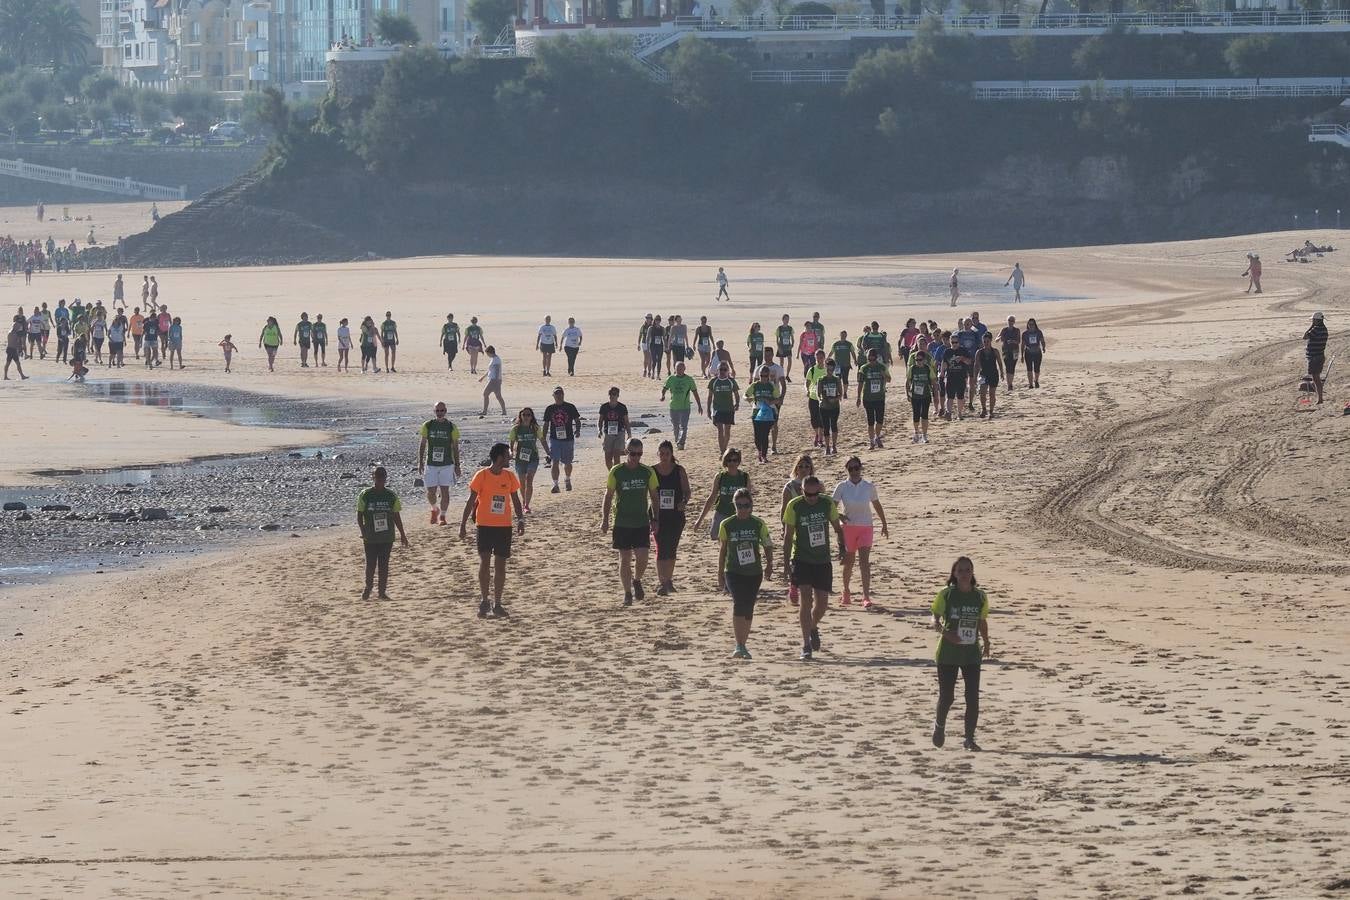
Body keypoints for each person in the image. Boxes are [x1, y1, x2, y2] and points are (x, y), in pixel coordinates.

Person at [930, 556, 992, 752]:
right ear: (954, 574)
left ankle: (969, 739)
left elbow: (982, 621)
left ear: (972, 572)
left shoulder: (980, 596)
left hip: (971, 653)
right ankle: (939, 727)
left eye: (967, 570)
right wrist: (945, 633)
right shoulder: (946, 595)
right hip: (948, 653)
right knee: (947, 696)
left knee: (972, 697)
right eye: (960, 571)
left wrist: (987, 641)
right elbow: (934, 619)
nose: (964, 574)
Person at [460, 443, 525, 619]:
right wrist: (463, 524)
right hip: (484, 525)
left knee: (500, 566)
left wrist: (520, 519)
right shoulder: (481, 476)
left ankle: (497, 603)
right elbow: (470, 501)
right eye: (507, 455)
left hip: (504, 526)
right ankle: (484, 600)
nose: (509, 458)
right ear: (499, 457)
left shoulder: (510, 476)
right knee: (484, 562)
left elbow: (516, 500)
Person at [782, 475, 844, 661]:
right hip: (801, 558)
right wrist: (786, 564)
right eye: (809, 495)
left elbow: (837, 527)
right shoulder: (794, 506)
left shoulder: (826, 503)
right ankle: (806, 645)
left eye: (816, 493)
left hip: (822, 559)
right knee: (805, 601)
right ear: (802, 491)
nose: (812, 498)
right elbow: (787, 536)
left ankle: (812, 626)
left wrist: (842, 547)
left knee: (822, 604)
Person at [601, 437, 659, 606]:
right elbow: (608, 495)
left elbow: (655, 497)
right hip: (622, 522)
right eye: (633, 454)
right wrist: (604, 519)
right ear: (626, 452)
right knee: (625, 558)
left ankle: (637, 580)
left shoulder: (647, 472)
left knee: (643, 557)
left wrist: (655, 519)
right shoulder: (616, 471)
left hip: (641, 521)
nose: (636, 457)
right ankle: (627, 592)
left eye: (639, 454)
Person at [719, 487, 773, 660]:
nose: (743, 509)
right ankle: (738, 644)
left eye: (746, 505)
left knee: (748, 605)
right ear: (734, 505)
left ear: (751, 506)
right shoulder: (727, 524)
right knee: (738, 602)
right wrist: (720, 573)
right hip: (733, 570)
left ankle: (744, 643)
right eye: (739, 505)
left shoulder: (758, 523)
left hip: (753, 571)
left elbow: (767, 544)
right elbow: (723, 550)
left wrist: (770, 564)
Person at [833, 457, 889, 608]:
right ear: (847, 470)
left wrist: (884, 523)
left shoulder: (868, 486)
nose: (854, 471)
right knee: (848, 562)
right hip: (848, 528)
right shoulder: (842, 486)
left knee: (864, 561)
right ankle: (846, 591)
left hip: (866, 527)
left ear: (860, 468)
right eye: (850, 469)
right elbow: (831, 506)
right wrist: (839, 516)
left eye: (856, 468)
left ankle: (865, 595)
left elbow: (876, 504)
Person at [356, 466, 410, 601]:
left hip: (387, 536)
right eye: (377, 477)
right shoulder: (365, 494)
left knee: (384, 564)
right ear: (372, 477)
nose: (380, 480)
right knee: (370, 563)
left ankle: (382, 592)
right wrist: (363, 531)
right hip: (370, 537)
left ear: (386, 478)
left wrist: (402, 534)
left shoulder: (391, 495)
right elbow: (359, 515)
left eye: (382, 477)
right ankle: (368, 588)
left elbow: (396, 516)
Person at [652, 440, 691, 596]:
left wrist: (684, 502)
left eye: (667, 454)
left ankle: (669, 580)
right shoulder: (652, 471)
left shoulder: (679, 470)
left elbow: (687, 491)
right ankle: (663, 582)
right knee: (660, 548)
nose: (664, 456)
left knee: (672, 548)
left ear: (671, 454)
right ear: (658, 454)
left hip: (676, 515)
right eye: (661, 453)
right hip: (657, 515)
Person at [418, 402, 462, 525]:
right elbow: (422, 444)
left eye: (442, 410)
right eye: (437, 411)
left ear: (445, 411)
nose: (440, 413)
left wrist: (457, 466)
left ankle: (442, 516)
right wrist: (420, 462)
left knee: (444, 491)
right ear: (434, 411)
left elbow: (455, 447)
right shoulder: (428, 425)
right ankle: (434, 508)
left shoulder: (451, 426)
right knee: (430, 491)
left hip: (447, 464)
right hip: (431, 464)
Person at [779, 454, 814, 607]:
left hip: (811, 526)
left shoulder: (816, 484)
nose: (804, 469)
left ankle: (808, 589)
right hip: (794, 526)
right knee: (797, 559)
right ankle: (794, 585)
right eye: (801, 466)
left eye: (807, 466)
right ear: (796, 468)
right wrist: (784, 526)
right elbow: (784, 508)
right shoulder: (790, 486)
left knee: (812, 559)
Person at [694, 448, 749, 541]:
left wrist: (747, 517)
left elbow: (749, 500)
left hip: (738, 514)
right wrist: (700, 520)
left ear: (738, 462)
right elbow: (712, 498)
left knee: (736, 538)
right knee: (715, 535)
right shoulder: (720, 476)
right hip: (722, 511)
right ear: (725, 462)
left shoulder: (744, 477)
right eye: (729, 460)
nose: (732, 463)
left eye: (734, 460)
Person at [543, 386, 582, 493]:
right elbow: (546, 424)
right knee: (554, 461)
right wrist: (543, 436)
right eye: (556, 394)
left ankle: (567, 479)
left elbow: (577, 420)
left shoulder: (570, 407)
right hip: (554, 439)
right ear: (553, 396)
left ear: (563, 395)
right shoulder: (549, 409)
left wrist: (577, 430)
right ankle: (555, 485)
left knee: (567, 462)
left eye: (560, 393)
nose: (559, 396)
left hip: (568, 438)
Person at [661, 360, 702, 451]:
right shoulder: (671, 379)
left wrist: (699, 405)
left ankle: (681, 443)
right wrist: (663, 395)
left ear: (684, 369)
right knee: (675, 426)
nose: (679, 370)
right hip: (673, 407)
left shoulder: (689, 379)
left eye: (681, 368)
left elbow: (695, 392)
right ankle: (677, 441)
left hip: (685, 407)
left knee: (683, 426)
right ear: (675, 369)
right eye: (677, 368)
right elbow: (664, 388)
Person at [508, 408, 543, 512]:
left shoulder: (535, 428)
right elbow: (511, 443)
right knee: (522, 483)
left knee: (529, 479)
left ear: (531, 416)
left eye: (528, 415)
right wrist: (510, 453)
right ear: (521, 416)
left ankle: (527, 505)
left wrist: (549, 452)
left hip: (533, 457)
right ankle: (524, 502)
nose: (526, 417)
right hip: (520, 459)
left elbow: (542, 439)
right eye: (524, 415)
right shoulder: (515, 429)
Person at [857, 348, 891, 449]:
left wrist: (883, 375)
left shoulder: (882, 367)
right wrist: (858, 397)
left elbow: (889, 379)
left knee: (880, 420)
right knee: (870, 421)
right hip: (868, 398)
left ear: (876, 358)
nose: (871, 361)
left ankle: (877, 436)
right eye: (869, 359)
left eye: (873, 359)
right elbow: (860, 383)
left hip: (879, 397)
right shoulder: (864, 368)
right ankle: (871, 441)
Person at [746, 365, 781, 464]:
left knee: (765, 435)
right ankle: (760, 452)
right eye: (762, 375)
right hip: (756, 412)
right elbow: (745, 395)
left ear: (769, 376)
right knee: (757, 436)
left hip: (768, 414)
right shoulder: (755, 385)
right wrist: (748, 399)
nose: (764, 378)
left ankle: (764, 456)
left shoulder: (771, 386)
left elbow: (778, 399)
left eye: (766, 376)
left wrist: (770, 402)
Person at [705, 361, 741, 455]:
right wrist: (708, 409)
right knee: (720, 430)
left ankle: (725, 449)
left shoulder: (731, 381)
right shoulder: (714, 381)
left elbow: (736, 394)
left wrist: (737, 404)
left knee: (727, 430)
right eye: (721, 369)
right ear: (717, 370)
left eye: (725, 369)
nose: (722, 371)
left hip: (729, 409)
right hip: (717, 409)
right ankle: (722, 451)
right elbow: (709, 396)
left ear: (728, 371)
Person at [906, 345, 937, 442]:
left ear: (924, 360)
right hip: (915, 395)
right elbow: (908, 381)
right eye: (917, 360)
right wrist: (908, 394)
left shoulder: (928, 368)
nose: (918, 362)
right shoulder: (912, 368)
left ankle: (924, 434)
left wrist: (935, 395)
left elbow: (933, 382)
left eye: (920, 360)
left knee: (924, 414)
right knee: (916, 414)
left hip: (926, 394)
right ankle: (916, 433)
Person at [598, 386, 631, 468]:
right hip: (608, 433)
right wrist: (599, 430)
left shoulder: (622, 407)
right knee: (608, 458)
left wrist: (629, 433)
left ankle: (616, 475)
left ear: (618, 396)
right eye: (611, 394)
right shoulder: (604, 407)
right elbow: (600, 420)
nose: (612, 396)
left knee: (617, 455)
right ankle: (611, 473)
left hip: (620, 432)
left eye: (614, 394)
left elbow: (626, 421)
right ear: (609, 395)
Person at [816, 357, 843, 455]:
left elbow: (841, 394)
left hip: (835, 406)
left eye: (832, 369)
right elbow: (818, 394)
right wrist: (822, 399)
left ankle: (834, 446)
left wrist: (835, 399)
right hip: (824, 407)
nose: (830, 371)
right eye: (828, 369)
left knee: (834, 425)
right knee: (826, 427)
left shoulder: (837, 380)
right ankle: (827, 447)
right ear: (825, 368)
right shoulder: (821, 380)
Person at [804, 349, 830, 449]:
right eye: (817, 358)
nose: (819, 360)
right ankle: (817, 434)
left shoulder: (827, 370)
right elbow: (807, 383)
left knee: (821, 419)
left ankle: (820, 439)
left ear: (824, 358)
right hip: (813, 397)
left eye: (821, 358)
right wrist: (807, 390)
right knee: (814, 419)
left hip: (823, 398)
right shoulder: (812, 370)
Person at [1305, 311, 1329, 405]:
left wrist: (1311, 326)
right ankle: (1319, 397)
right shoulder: (1324, 329)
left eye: (1314, 320)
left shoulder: (1315, 329)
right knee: (1316, 377)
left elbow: (1305, 336)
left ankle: (1320, 398)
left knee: (1316, 378)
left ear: (1317, 320)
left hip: (1314, 356)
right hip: (1319, 355)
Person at [478, 345, 506, 417]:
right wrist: (483, 377)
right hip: (493, 380)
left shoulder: (496, 359)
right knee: (498, 396)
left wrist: (496, 381)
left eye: (487, 353)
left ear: (490, 352)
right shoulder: (493, 359)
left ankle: (485, 411)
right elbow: (490, 370)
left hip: (494, 380)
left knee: (485, 394)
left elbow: (497, 370)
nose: (487, 355)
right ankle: (504, 411)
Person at [1021, 317, 1047, 388]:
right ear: (1028, 325)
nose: (1031, 325)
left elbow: (1042, 340)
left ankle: (1036, 381)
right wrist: (1022, 355)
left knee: (1037, 368)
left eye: (1032, 324)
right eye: (1029, 324)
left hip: (1037, 352)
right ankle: (1030, 384)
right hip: (1028, 352)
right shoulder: (1025, 333)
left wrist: (1043, 347)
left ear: (1035, 324)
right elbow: (1022, 344)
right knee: (1029, 369)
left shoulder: (1039, 332)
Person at [998, 316, 1020, 390]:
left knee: (1012, 367)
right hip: (1006, 351)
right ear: (1007, 321)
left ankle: (1011, 383)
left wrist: (1013, 341)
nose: (1010, 322)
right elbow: (997, 339)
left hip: (1015, 351)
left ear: (1014, 322)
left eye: (1012, 320)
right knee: (1008, 367)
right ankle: (1009, 385)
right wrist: (999, 338)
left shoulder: (1017, 330)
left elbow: (1018, 341)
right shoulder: (1004, 330)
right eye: (1009, 320)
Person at [4, 315, 28, 380]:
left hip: (11, 349)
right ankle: (21, 376)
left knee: (12, 363)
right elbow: (16, 342)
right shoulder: (14, 333)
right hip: (12, 349)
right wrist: (20, 349)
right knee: (12, 363)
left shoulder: (11, 332)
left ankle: (6, 376)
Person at [775, 314, 795, 382]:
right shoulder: (779, 328)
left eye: (788, 319)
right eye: (785, 319)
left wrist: (792, 345)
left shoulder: (790, 328)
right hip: (781, 347)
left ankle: (787, 375)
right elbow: (777, 340)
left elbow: (792, 338)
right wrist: (779, 348)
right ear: (783, 320)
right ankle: (781, 375)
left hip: (788, 347)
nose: (787, 320)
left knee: (790, 361)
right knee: (781, 362)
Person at [646, 314, 666, 380]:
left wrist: (665, 346)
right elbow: (648, 338)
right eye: (657, 319)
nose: (658, 321)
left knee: (659, 360)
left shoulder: (662, 328)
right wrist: (647, 347)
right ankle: (653, 373)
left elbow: (664, 338)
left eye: (659, 320)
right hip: (653, 346)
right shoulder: (651, 328)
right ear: (654, 320)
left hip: (660, 346)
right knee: (654, 360)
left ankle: (658, 375)